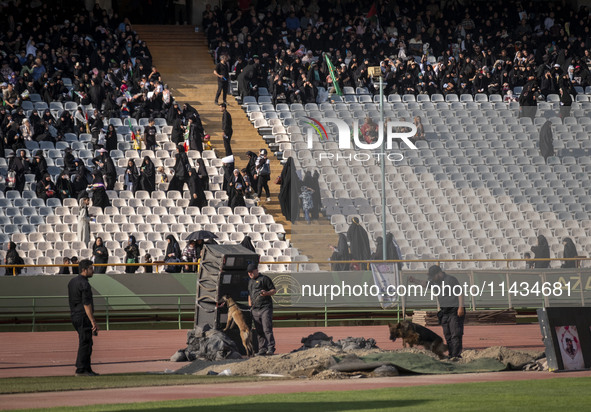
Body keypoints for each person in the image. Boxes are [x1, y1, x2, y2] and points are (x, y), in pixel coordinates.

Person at [412, 265, 465, 359]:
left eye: (433, 276)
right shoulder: (435, 282)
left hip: (454, 310)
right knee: (447, 335)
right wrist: (414, 281)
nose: (432, 279)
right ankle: (451, 354)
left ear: (439, 273)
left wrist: (460, 307)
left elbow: (460, 292)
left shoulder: (451, 280)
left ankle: (456, 355)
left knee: (455, 334)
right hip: (444, 312)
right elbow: (425, 284)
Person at [67, 259, 99, 376]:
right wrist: (92, 321)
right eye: (91, 268)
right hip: (83, 316)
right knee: (85, 342)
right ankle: (81, 369)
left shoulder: (72, 282)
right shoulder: (84, 284)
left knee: (87, 342)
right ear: (84, 270)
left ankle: (87, 368)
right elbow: (86, 304)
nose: (93, 270)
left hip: (74, 315)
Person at [247, 263, 277, 356]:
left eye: (252, 272)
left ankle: (271, 348)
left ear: (256, 270)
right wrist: (250, 305)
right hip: (255, 309)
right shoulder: (250, 282)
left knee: (267, 329)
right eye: (249, 272)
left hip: (265, 307)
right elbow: (249, 294)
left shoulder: (264, 279)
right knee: (259, 331)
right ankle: (262, 349)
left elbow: (274, 291)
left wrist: (266, 293)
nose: (250, 274)